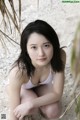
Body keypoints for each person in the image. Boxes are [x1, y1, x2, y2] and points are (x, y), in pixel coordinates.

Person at [7, 19, 66, 120]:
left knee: (54, 111)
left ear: (54, 44)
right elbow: (13, 113)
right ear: (26, 49)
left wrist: (31, 103)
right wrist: (29, 106)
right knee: (31, 110)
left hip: (42, 86)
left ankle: (32, 102)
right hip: (23, 89)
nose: (41, 54)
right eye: (34, 47)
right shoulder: (18, 72)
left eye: (46, 46)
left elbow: (57, 93)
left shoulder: (60, 56)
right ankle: (9, 90)